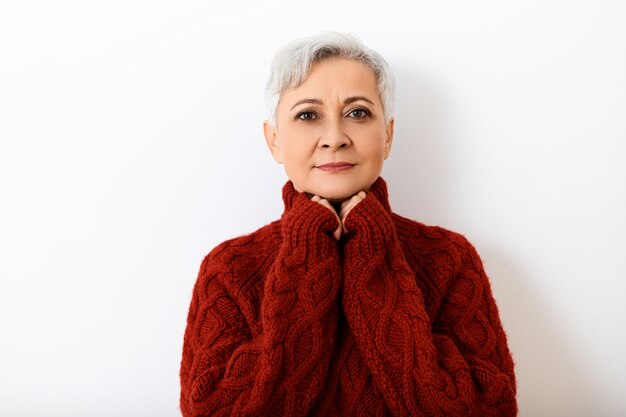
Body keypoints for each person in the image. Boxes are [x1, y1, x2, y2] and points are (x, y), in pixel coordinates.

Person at [179, 32, 517, 416]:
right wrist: (307, 255)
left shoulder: (449, 259)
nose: (335, 138)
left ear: (387, 136)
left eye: (358, 113)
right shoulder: (229, 268)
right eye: (308, 115)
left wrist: (374, 256)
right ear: (274, 141)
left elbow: (489, 410)